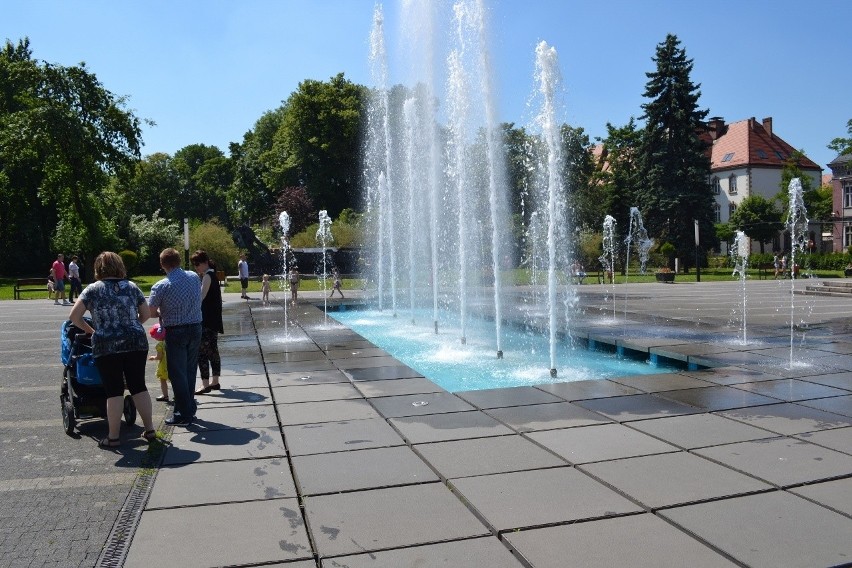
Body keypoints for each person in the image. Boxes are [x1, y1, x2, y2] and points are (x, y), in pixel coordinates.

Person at [68, 251, 155, 447]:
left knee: (114, 391)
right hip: (136, 342)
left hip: (106, 345)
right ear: (120, 266)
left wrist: (92, 331)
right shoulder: (132, 287)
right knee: (138, 386)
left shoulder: (92, 290)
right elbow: (146, 314)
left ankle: (113, 437)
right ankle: (149, 430)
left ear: (98, 268)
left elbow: (74, 317)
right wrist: (132, 325)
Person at [148, 248, 202, 426]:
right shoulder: (194, 277)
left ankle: (185, 414)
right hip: (195, 327)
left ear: (163, 264)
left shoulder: (161, 286)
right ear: (179, 261)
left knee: (177, 374)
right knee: (190, 370)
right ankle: (185, 409)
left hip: (175, 330)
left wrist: (163, 312)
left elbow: (151, 312)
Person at [191, 250, 223, 395]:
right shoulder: (213, 275)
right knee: (213, 350)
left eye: (197, 264)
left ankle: (205, 384)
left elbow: (200, 298)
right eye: (194, 265)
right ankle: (215, 381)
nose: (196, 267)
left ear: (205, 262)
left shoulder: (207, 277)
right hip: (214, 320)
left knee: (201, 352)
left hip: (206, 320)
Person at [147, 324, 170, 402]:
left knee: (163, 380)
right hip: (173, 365)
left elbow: (159, 357)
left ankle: (165, 395)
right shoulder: (170, 342)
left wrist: (153, 358)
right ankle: (178, 395)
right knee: (175, 380)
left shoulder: (160, 345)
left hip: (164, 366)